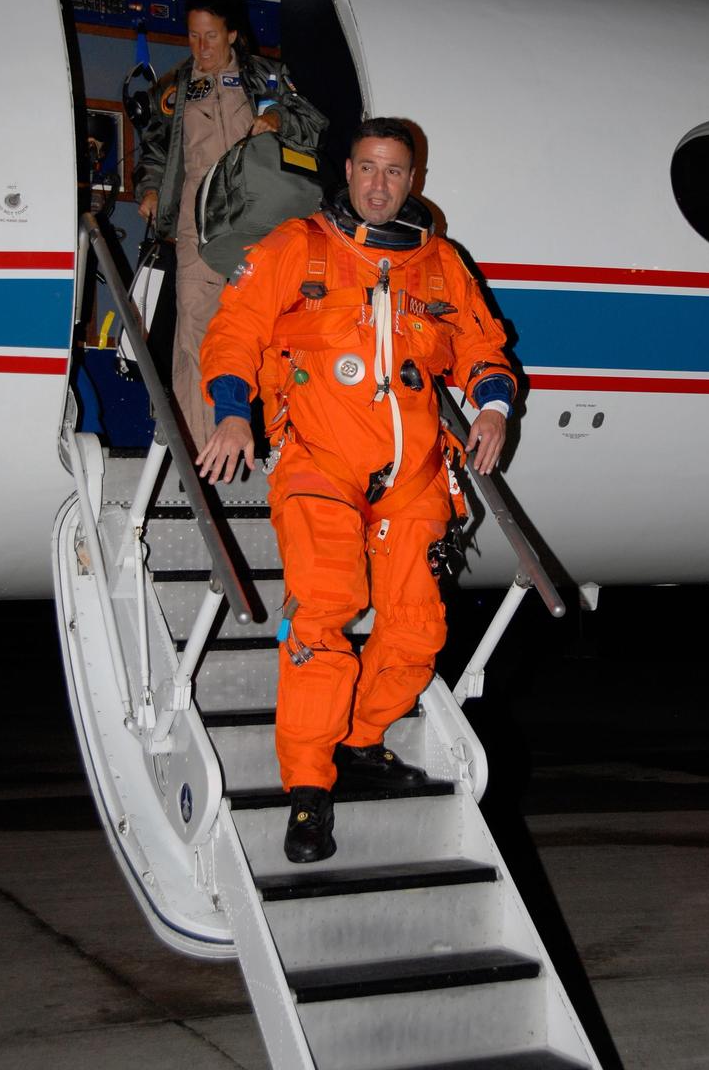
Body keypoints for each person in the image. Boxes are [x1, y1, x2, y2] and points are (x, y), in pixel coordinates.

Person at [197, 118, 517, 862]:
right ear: (347, 170)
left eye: (395, 172)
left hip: (413, 476)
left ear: (414, 180)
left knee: (417, 631)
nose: (379, 185)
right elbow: (235, 329)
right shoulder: (297, 247)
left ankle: (359, 740)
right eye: (368, 169)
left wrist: (494, 407)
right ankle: (309, 791)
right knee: (326, 613)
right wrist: (233, 415)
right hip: (319, 462)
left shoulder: (437, 264)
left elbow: (480, 343)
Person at [134, 0, 327, 450]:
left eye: (212, 36)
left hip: (258, 215)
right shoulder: (173, 90)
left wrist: (279, 119)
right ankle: (202, 447)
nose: (202, 47)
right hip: (195, 218)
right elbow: (155, 151)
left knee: (268, 326)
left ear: (234, 34)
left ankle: (280, 438)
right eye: (194, 36)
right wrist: (150, 189)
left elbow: (313, 126)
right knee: (195, 324)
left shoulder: (269, 78)